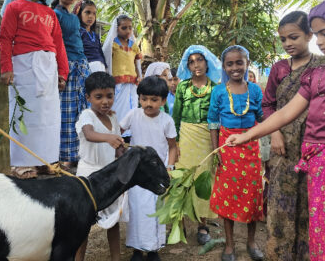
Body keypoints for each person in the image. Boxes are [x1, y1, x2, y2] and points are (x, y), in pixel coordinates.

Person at [227, 0, 325, 261]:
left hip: (319, 153)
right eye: (283, 39)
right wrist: (253, 135)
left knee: (318, 216)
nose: (320, 41)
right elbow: (278, 108)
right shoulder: (294, 71)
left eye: (324, 34)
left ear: (306, 36)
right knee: (288, 206)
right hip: (290, 148)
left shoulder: (321, 67)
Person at [261, 11, 325, 260]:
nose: (288, 43)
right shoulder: (279, 69)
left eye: (294, 37)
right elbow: (267, 105)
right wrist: (275, 133)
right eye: (283, 39)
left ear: (310, 36)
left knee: (311, 205)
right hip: (283, 149)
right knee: (281, 204)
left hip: (315, 147)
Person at [0, 0, 69, 179]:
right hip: (24, 64)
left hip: (48, 65)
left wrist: (62, 72)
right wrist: (6, 68)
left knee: (48, 115)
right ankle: (21, 163)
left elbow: (59, 43)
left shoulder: (50, 13)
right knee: (24, 114)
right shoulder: (14, 7)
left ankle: (45, 160)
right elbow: (5, 38)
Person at [208, 45, 264, 261]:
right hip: (227, 148)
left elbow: (261, 117)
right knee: (227, 196)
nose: (235, 67)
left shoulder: (255, 90)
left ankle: (251, 242)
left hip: (251, 146)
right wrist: (216, 150)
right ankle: (230, 245)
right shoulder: (219, 91)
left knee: (253, 195)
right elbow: (213, 122)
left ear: (247, 63)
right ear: (224, 66)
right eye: (230, 64)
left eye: (239, 62)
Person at [120, 76, 177, 261]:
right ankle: (137, 249)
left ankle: (153, 250)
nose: (148, 104)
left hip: (157, 175)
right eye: (144, 99)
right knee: (136, 210)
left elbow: (172, 147)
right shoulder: (133, 114)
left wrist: (169, 167)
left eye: (154, 100)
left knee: (155, 210)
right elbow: (117, 131)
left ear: (163, 100)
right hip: (137, 174)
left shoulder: (167, 121)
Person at [172, 45, 221, 245]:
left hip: (207, 138)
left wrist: (216, 144)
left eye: (199, 60)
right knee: (183, 178)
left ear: (207, 62)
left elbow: (218, 118)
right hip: (185, 136)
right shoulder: (183, 87)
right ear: (187, 65)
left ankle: (203, 225)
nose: (195, 64)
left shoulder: (216, 88)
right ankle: (178, 224)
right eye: (191, 61)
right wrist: (174, 143)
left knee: (204, 179)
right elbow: (175, 116)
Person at [75, 72, 126, 261]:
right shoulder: (86, 115)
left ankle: (116, 257)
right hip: (88, 176)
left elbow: (118, 148)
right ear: (88, 97)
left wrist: (123, 157)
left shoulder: (112, 118)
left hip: (109, 175)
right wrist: (109, 138)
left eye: (109, 96)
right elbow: (89, 134)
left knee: (113, 220)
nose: (105, 101)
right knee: (84, 223)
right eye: (98, 97)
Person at [52, 0, 91, 168]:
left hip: (81, 66)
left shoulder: (74, 17)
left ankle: (79, 153)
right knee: (66, 113)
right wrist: (61, 70)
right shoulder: (55, 15)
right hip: (66, 67)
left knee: (82, 111)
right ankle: (65, 157)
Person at [102, 15, 142, 140]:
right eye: (124, 28)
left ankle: (130, 135)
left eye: (130, 28)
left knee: (132, 107)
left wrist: (140, 76)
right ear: (117, 28)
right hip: (117, 84)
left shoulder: (133, 45)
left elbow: (137, 62)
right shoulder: (112, 45)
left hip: (132, 85)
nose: (128, 31)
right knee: (118, 108)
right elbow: (107, 60)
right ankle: (116, 134)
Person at [73, 0, 107, 73]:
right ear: (79, 13)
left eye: (94, 13)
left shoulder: (96, 35)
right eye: (87, 12)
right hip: (85, 69)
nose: (91, 16)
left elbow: (100, 52)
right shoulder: (77, 32)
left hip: (101, 68)